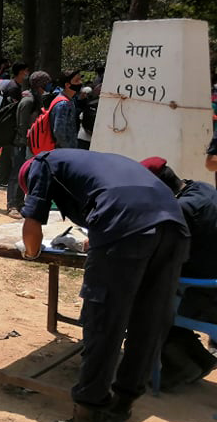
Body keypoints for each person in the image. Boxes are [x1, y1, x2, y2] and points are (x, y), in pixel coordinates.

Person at [17, 149, 189, 421]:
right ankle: (122, 405)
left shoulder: (42, 163)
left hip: (124, 221)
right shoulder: (90, 161)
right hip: (174, 224)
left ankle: (88, 410)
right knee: (149, 319)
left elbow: (32, 227)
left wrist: (30, 253)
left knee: (105, 319)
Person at [140, 157, 217, 389]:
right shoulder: (203, 188)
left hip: (205, 293)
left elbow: (156, 253)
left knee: (139, 298)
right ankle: (199, 358)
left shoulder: (180, 210)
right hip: (210, 281)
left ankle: (182, 363)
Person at [6, 71, 51, 218]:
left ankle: (20, 203)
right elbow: (22, 125)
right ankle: (12, 205)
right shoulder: (28, 101)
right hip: (21, 144)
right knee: (17, 174)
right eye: (46, 83)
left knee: (24, 175)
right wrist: (26, 142)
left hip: (30, 144)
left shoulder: (36, 99)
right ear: (39, 85)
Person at [50, 69, 83, 149]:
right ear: (67, 85)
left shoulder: (68, 100)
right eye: (77, 80)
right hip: (64, 152)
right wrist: (67, 150)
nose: (80, 82)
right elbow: (59, 132)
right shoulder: (63, 104)